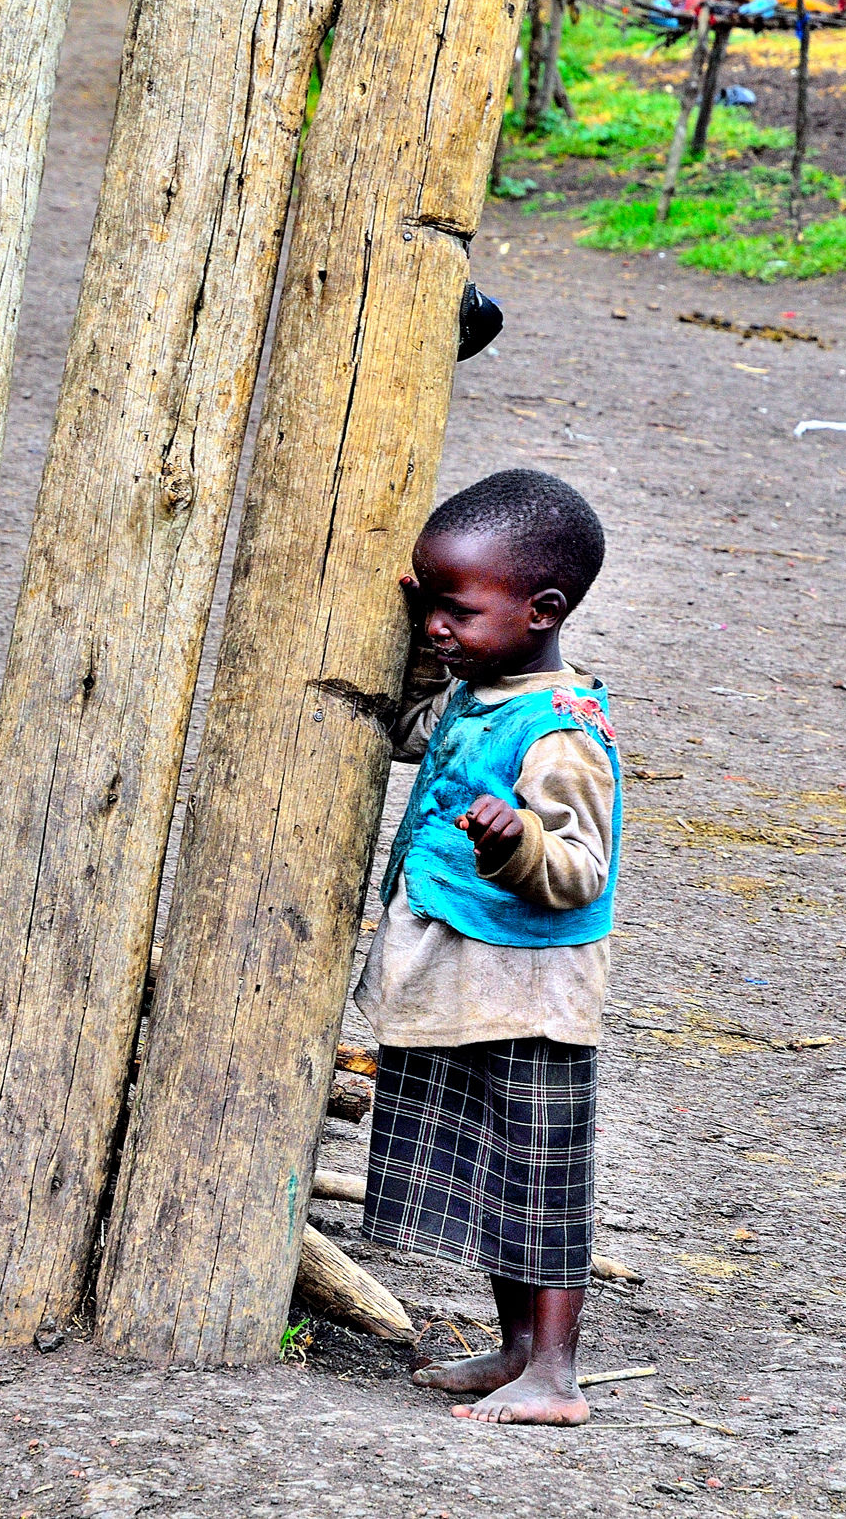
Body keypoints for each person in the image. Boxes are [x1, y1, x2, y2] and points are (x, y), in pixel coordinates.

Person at [357, 467, 619, 1428]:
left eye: (456, 610)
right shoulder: (480, 687)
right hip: (475, 977)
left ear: (543, 609)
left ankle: (556, 1372)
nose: (435, 627)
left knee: (542, 1185)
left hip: (533, 991)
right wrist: (433, 643)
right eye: (429, 607)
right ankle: (515, 1350)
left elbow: (583, 866)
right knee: (495, 1178)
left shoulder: (563, 732)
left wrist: (519, 841)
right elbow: (412, 729)